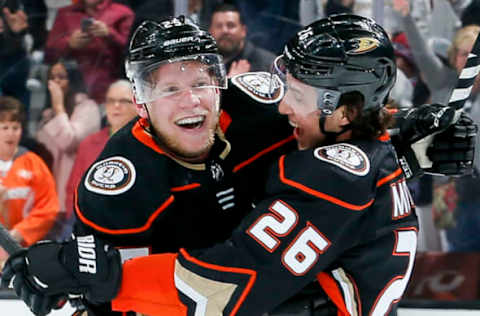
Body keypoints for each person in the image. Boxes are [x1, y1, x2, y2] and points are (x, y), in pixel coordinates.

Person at [1, 14, 477, 316]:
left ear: (220, 81)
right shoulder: (119, 180)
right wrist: (407, 129)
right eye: (167, 88)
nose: (190, 99)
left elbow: (226, 283)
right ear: (141, 102)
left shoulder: (263, 116)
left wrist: (87, 274)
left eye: (201, 80)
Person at [63, 79, 137, 238]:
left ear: (138, 106)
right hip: (89, 224)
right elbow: (73, 190)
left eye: (124, 101)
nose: (116, 106)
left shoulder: (149, 143)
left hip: (132, 225)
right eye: (111, 101)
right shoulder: (89, 144)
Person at [36, 60, 101, 239]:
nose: (56, 82)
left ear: (73, 79)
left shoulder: (88, 108)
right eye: (52, 77)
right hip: (45, 198)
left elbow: (69, 141)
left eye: (61, 77)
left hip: (71, 196)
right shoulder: (47, 114)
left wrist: (58, 107)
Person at [0, 96, 59, 267]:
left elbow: (48, 207)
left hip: (25, 250)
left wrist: (18, 234)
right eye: (4, 127)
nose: (11, 133)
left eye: (15, 127)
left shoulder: (33, 163)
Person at [44, 0, 134, 103]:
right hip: (73, 89)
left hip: (114, 89)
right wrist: (69, 43)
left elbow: (133, 51)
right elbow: (48, 54)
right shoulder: (65, 14)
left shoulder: (122, 13)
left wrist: (110, 34)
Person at [208, 3, 276, 77]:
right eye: (219, 26)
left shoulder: (267, 64)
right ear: (210, 31)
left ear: (243, 31)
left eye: (231, 25)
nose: (225, 30)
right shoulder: (203, 63)